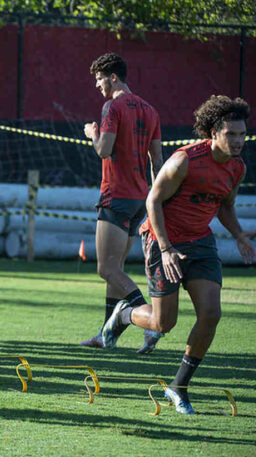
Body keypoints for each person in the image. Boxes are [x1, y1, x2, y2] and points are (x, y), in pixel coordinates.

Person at [102, 95, 255, 414]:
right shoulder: (184, 160)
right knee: (162, 323)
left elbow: (225, 205)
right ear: (213, 133)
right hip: (162, 240)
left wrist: (239, 234)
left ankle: (178, 387)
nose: (238, 141)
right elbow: (152, 202)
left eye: (242, 135)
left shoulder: (236, 168)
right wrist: (167, 248)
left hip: (200, 242)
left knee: (211, 313)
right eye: (232, 134)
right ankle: (125, 314)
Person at [81, 53, 164, 353]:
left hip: (115, 196)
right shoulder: (151, 110)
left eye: (99, 78)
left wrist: (92, 134)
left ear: (113, 77)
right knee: (116, 268)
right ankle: (106, 335)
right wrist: (157, 198)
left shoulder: (112, 106)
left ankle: (150, 319)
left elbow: (104, 150)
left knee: (106, 269)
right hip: (140, 199)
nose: (97, 84)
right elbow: (157, 160)